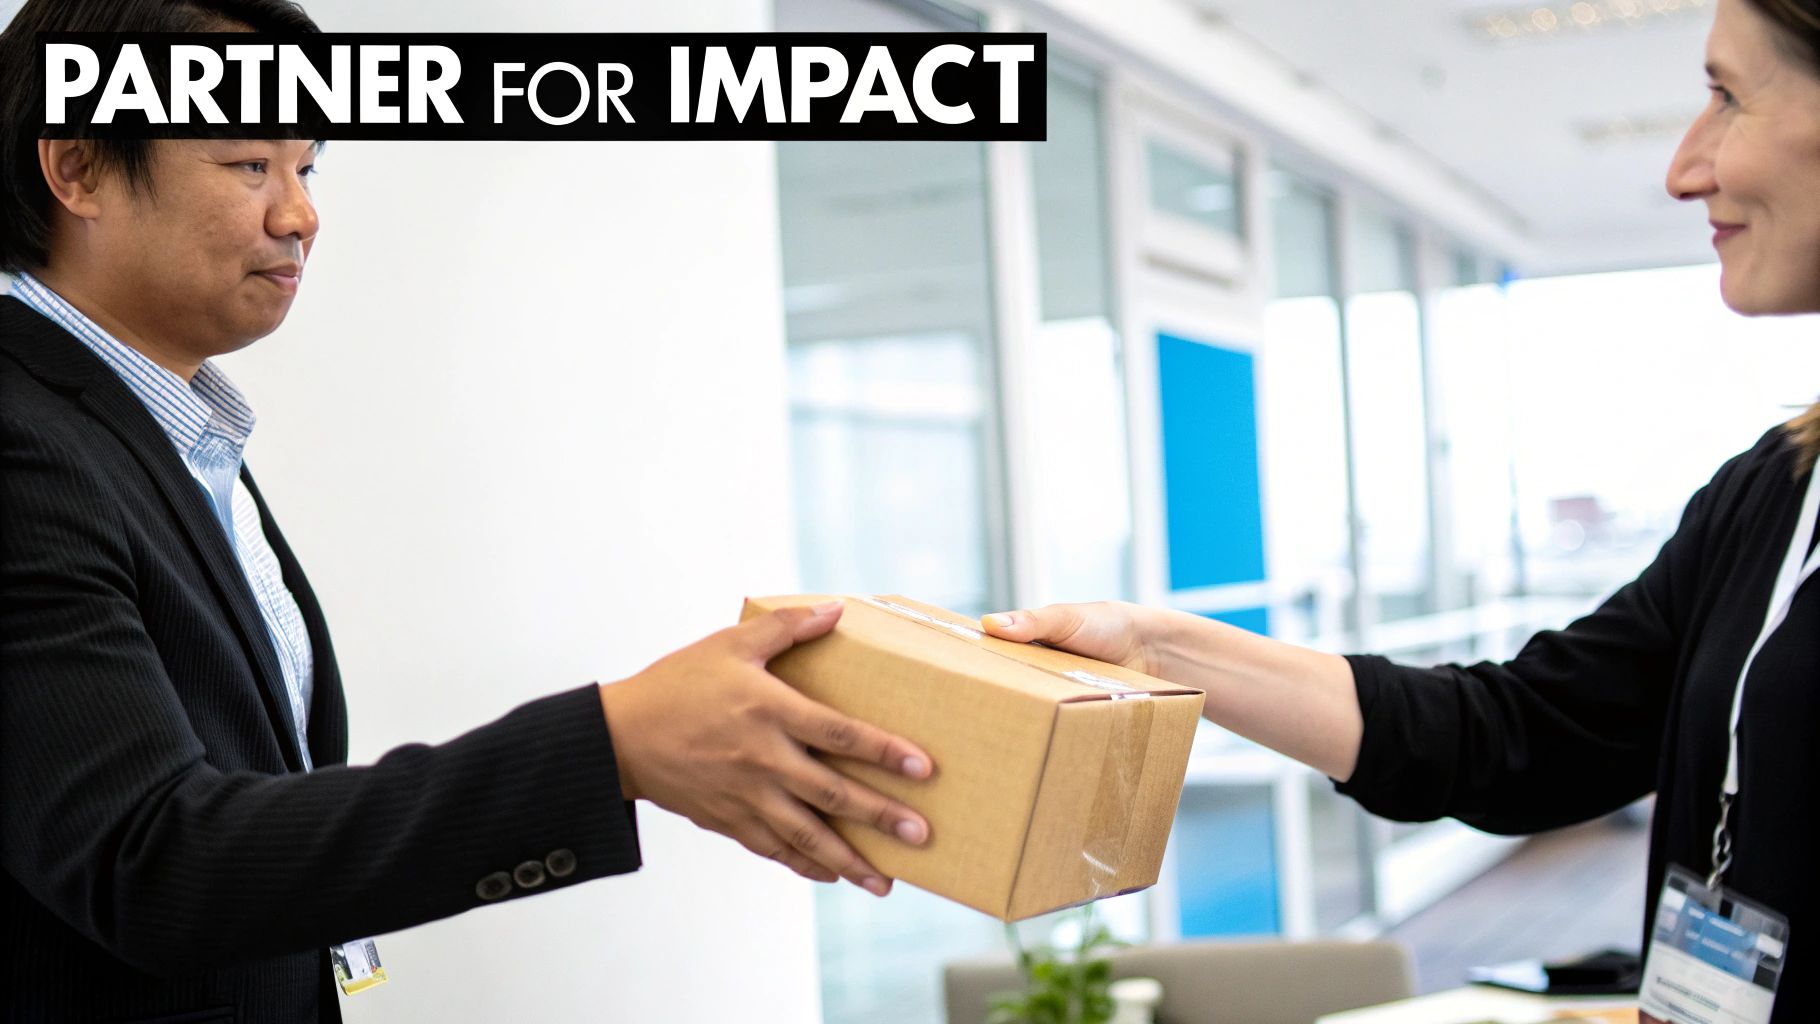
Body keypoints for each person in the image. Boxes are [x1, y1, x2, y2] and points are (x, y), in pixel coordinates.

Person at [0, 1, 933, 1021]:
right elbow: (151, 861)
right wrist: (609, 744)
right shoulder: (23, 439)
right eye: (247, 165)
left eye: (305, 167)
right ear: (78, 167)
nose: (299, 214)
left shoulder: (177, 434)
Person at [983, 0, 1820, 1019]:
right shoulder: (1767, 495)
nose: (1683, 168)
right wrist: (1156, 651)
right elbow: (1518, 734)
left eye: (1727, 97)